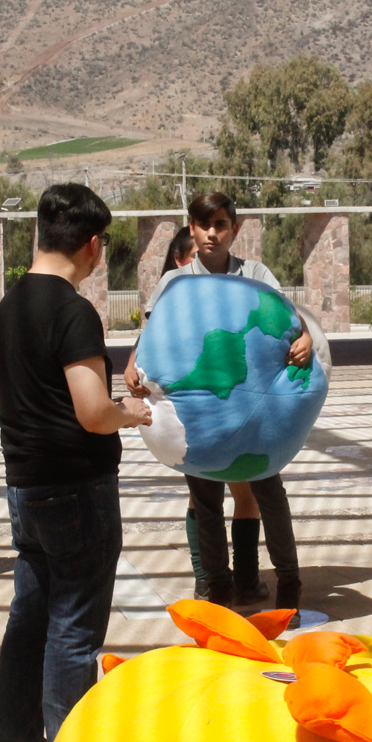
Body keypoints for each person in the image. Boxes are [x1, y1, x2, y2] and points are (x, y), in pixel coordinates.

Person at [0, 183, 152, 742]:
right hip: (76, 489)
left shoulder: (9, 307)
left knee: (29, 615)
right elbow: (91, 410)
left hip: (24, 488)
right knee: (76, 629)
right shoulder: (72, 310)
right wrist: (129, 414)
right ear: (91, 245)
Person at [124, 193, 314, 625]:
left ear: (234, 229)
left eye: (221, 224)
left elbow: (289, 321)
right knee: (205, 497)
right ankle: (219, 590)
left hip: (255, 409)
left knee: (270, 493)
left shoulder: (257, 274)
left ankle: (289, 587)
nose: (213, 232)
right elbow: (153, 331)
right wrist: (134, 361)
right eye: (204, 224)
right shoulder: (174, 283)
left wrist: (305, 338)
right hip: (198, 412)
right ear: (191, 228)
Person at [157, 225, 266, 604]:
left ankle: (245, 579)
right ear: (181, 260)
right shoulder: (176, 294)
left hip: (235, 399)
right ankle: (208, 577)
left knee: (242, 490)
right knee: (202, 495)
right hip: (199, 405)